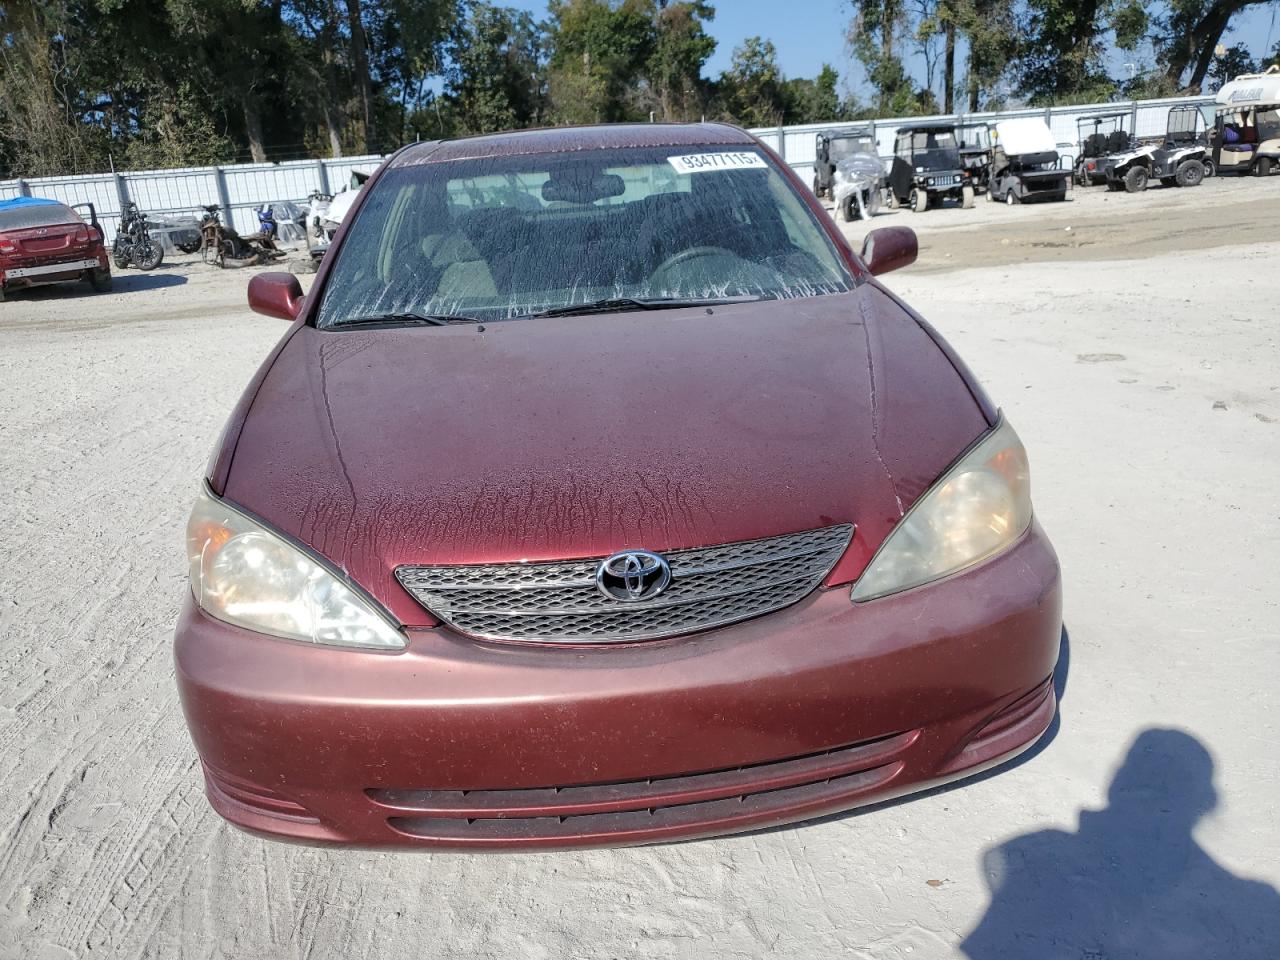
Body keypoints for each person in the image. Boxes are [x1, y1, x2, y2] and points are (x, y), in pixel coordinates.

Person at [962, 729, 1280, 959]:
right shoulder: (1249, 903)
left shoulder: (1038, 851)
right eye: (1145, 783)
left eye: (1159, 787)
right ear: (1203, 803)